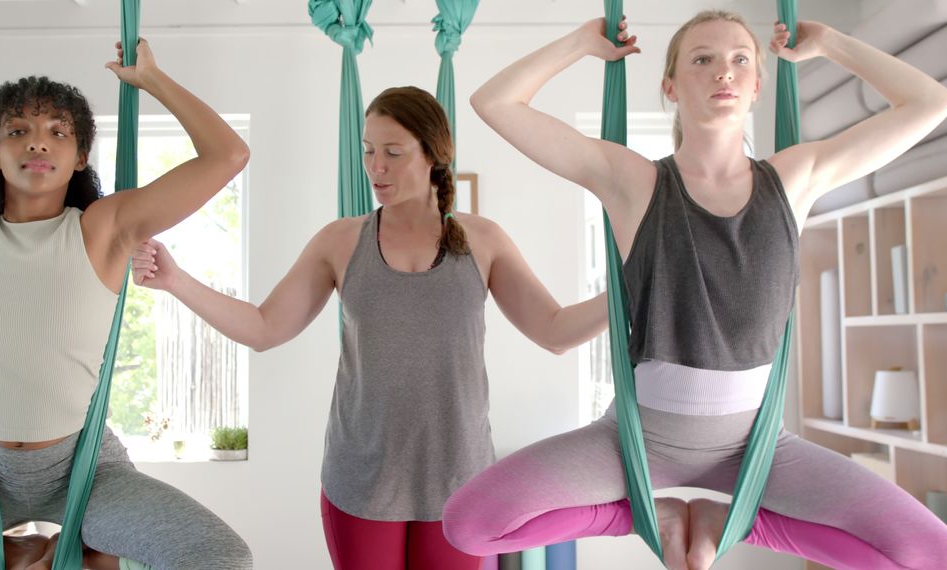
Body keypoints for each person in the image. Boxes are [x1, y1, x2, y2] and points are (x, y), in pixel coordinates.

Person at [441, 11, 947, 570]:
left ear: (758, 87)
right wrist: (579, 42)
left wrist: (832, 43)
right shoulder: (633, 180)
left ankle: (734, 522)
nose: (725, 73)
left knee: (937, 556)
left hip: (756, 449)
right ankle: (650, 516)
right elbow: (495, 102)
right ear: (670, 86)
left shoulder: (795, 176)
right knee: (470, 525)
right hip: (636, 442)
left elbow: (932, 104)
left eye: (741, 59)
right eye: (702, 59)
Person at [131, 86, 609, 570]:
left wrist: (627, 294)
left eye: (393, 152)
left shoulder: (483, 241)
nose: (375, 166)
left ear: (433, 155)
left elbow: (554, 331)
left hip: (458, 477)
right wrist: (176, 281)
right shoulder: (340, 242)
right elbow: (263, 327)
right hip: (362, 478)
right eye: (368, 151)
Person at [0, 39, 253, 569]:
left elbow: (229, 154)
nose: (38, 144)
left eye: (58, 132)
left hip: (89, 472)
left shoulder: (104, 229)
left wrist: (152, 79)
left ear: (79, 157)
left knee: (222, 558)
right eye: (17, 131)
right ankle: (17, 553)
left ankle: (68, 554)